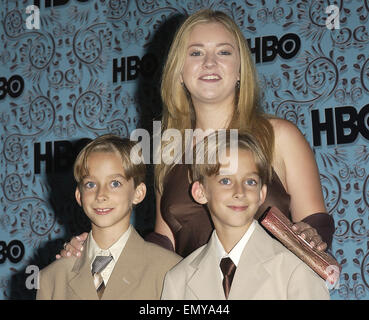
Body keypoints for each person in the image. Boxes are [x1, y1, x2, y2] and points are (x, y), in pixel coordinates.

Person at [58, 9, 334, 259]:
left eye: (224, 52)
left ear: (240, 70)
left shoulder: (279, 136)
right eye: (196, 53)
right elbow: (163, 243)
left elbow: (315, 224)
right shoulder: (167, 148)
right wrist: (102, 250)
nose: (210, 63)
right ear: (179, 71)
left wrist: (312, 238)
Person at [161, 131, 330, 300]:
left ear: (261, 194)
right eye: (225, 181)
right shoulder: (178, 280)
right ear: (200, 192)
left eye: (250, 182)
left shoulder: (296, 268)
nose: (239, 192)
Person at [37, 135, 181, 300]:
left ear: (138, 193)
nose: (101, 195)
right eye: (91, 184)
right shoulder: (52, 278)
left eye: (115, 183)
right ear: (79, 196)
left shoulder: (171, 269)